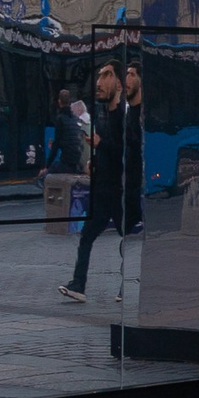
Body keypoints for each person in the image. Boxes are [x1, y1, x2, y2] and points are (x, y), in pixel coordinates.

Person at [58, 64, 132, 303]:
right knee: (87, 235)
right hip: (102, 189)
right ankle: (78, 285)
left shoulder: (124, 116)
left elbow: (126, 152)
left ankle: (128, 286)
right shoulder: (101, 113)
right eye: (99, 76)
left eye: (106, 75)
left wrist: (101, 145)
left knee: (128, 238)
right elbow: (104, 149)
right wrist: (93, 160)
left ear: (118, 84)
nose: (99, 82)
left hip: (119, 190)